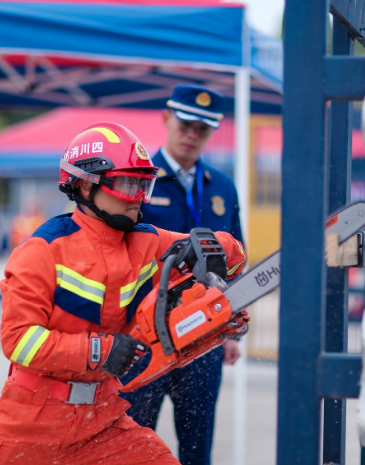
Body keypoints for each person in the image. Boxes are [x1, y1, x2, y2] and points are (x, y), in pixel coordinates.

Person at [0, 121, 246, 465]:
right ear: (84, 185)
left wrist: (210, 246)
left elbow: (234, 261)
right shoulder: (42, 251)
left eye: (144, 185)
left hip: (103, 422)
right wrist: (99, 351)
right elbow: (20, 341)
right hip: (31, 423)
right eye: (128, 184)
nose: (139, 197)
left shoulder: (147, 240)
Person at [120, 84, 244, 465]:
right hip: (145, 335)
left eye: (202, 129)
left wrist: (233, 327)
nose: (192, 134)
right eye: (186, 124)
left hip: (204, 335)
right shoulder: (139, 180)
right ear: (166, 119)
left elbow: (235, 259)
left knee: (197, 445)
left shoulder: (222, 187)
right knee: (132, 443)